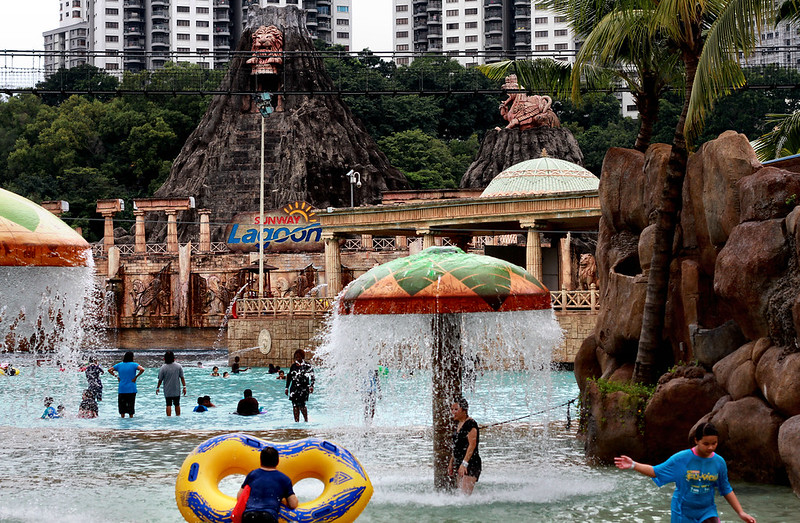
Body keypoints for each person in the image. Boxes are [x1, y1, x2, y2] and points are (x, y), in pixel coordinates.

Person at [614, 422, 757, 523]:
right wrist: (633, 465)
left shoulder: (719, 462)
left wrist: (740, 512)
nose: (711, 447)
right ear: (696, 440)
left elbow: (725, 489)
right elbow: (655, 471)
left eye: (714, 443)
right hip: (683, 513)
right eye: (706, 444)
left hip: (707, 511)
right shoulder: (681, 459)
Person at [237, 447, 298, 523]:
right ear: (277, 461)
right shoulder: (284, 479)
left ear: (260, 461)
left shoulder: (252, 475)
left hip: (249, 515)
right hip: (268, 516)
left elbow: (240, 496)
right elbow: (293, 504)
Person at [448, 396, 481, 495]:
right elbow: (457, 446)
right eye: (452, 409)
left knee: (464, 497)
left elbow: (472, 445)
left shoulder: (471, 424)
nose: (453, 412)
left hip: (470, 464)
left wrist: (464, 464)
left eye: (456, 409)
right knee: (460, 496)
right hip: (460, 463)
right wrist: (451, 462)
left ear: (464, 411)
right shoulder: (458, 424)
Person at [108, 351, 145, 418]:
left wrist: (117, 376)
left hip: (122, 389)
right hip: (131, 388)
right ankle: (131, 418)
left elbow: (109, 370)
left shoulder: (119, 365)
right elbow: (142, 369)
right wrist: (136, 377)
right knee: (131, 406)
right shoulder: (134, 365)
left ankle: (122, 418)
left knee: (122, 407)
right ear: (132, 357)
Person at [285, 349, 315, 422]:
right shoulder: (293, 366)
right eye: (296, 357)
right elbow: (289, 378)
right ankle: (296, 421)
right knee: (295, 405)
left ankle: (306, 420)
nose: (297, 359)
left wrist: (311, 386)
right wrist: (286, 388)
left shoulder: (307, 366)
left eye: (299, 357)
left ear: (302, 357)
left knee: (302, 405)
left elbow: (312, 377)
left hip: (304, 388)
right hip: (294, 388)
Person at [156, 350, 187, 416]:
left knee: (168, 404)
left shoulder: (163, 367)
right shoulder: (178, 366)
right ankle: (178, 416)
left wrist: (157, 387)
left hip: (167, 390)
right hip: (176, 389)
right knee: (177, 404)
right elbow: (182, 377)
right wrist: (184, 387)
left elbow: (160, 379)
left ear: (165, 358)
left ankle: (168, 417)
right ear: (173, 358)